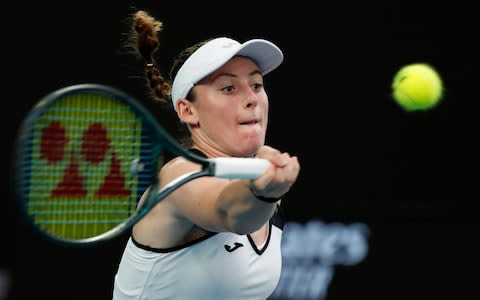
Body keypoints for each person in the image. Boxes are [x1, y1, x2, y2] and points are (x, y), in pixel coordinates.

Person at [112, 10, 300, 300]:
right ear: (188, 111)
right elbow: (232, 213)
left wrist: (266, 186)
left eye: (256, 84)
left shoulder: (261, 173)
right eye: (228, 88)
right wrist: (264, 191)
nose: (251, 98)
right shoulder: (179, 177)